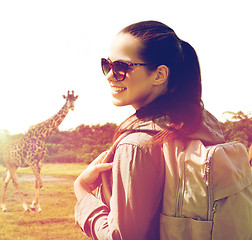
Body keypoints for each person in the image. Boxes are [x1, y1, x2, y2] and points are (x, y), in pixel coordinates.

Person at [74, 20, 225, 239]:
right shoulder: (204, 126)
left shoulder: (136, 146)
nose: (109, 76)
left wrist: (82, 191)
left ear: (159, 75)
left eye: (121, 67)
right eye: (107, 65)